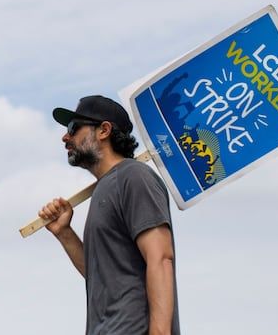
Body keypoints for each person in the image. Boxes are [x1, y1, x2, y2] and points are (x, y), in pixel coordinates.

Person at [39, 95, 180, 335]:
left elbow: (161, 258)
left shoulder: (134, 176)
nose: (65, 137)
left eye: (73, 128)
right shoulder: (105, 188)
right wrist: (64, 233)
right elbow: (101, 276)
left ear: (104, 130)